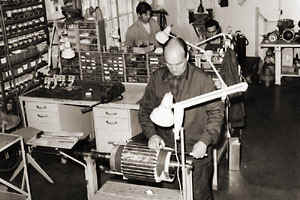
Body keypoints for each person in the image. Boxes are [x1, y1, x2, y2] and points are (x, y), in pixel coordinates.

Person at [138, 37, 225, 200]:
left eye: (178, 64)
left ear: (187, 57)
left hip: (196, 150)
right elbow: (145, 109)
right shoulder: (157, 78)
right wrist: (152, 134)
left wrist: (205, 141)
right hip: (167, 149)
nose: (173, 69)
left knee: (198, 195)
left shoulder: (202, 81)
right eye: (168, 63)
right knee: (170, 194)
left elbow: (216, 114)